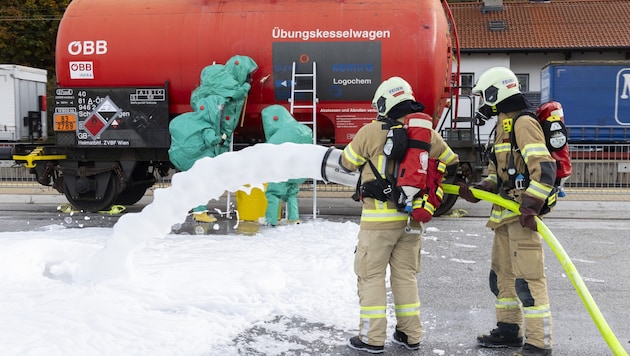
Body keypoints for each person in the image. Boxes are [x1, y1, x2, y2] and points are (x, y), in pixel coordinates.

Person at [340, 77, 459, 353]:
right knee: (405, 277)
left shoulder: (370, 131)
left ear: (383, 103)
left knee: (370, 276)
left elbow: (347, 162)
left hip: (377, 224)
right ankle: (410, 335)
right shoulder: (425, 133)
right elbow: (451, 161)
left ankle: (372, 338)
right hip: (412, 220)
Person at [458, 66, 556, 356]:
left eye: (485, 98)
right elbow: (497, 169)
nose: (484, 105)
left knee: (528, 280)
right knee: (502, 276)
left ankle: (539, 342)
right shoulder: (505, 124)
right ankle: (508, 330)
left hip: (521, 217)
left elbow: (544, 169)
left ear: (496, 93)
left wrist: (532, 205)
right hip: (504, 216)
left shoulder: (524, 123)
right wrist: (481, 188)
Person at [260, 105, 313, 226]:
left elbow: (269, 152)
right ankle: (294, 218)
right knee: (292, 193)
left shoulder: (278, 136)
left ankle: (270, 220)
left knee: (273, 193)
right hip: (298, 171)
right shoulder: (303, 129)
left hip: (281, 170)